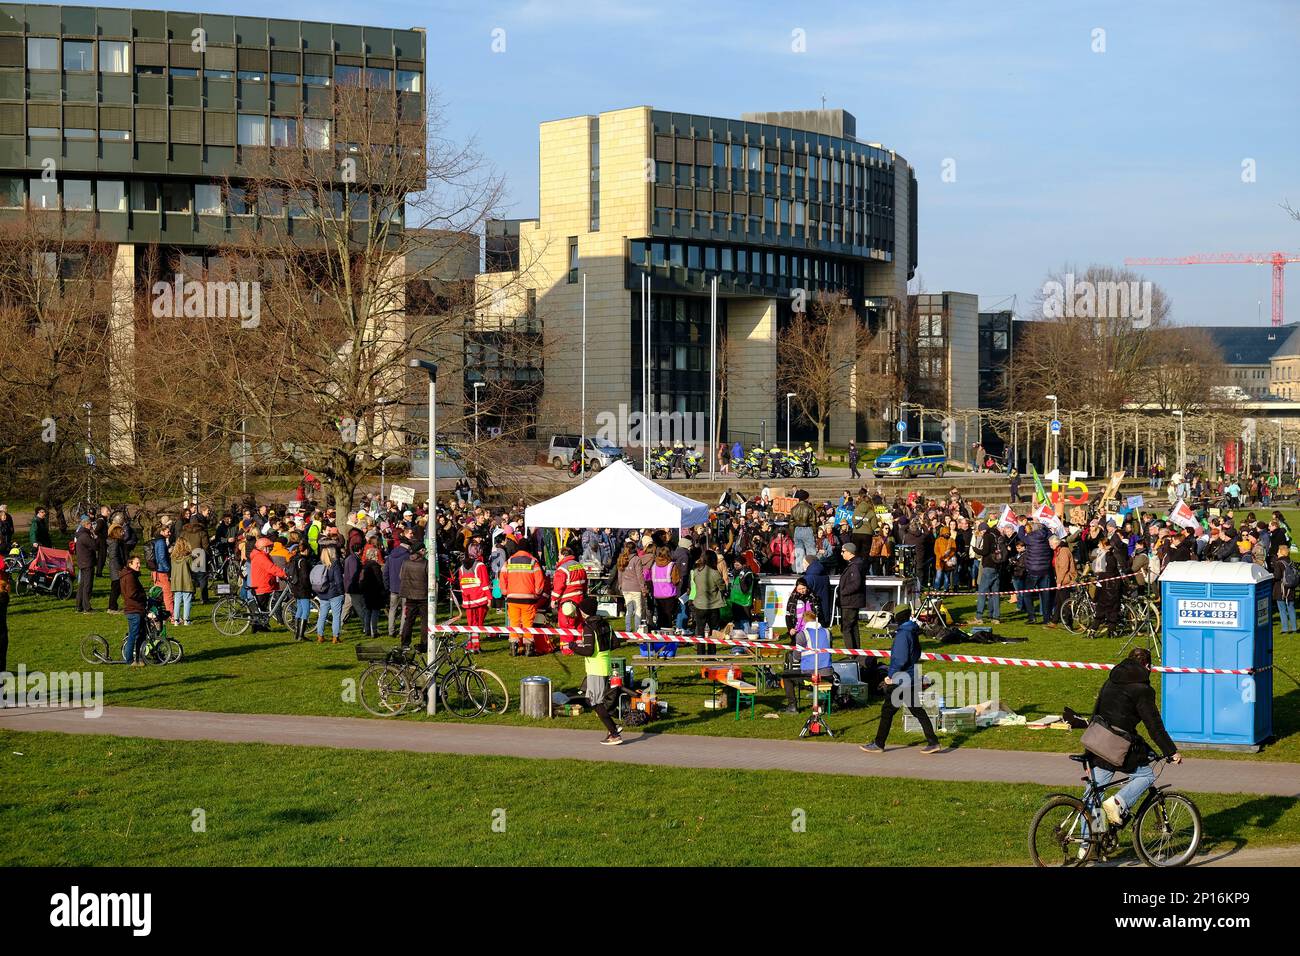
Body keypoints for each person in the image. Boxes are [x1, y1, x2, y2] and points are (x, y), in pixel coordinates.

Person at [1087, 648, 1182, 826]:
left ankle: (1088, 845)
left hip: (1095, 739)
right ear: (1147, 666)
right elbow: (1154, 726)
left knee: (1094, 797)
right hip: (1116, 746)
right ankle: (1118, 802)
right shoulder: (1142, 690)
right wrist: (1171, 751)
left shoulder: (1111, 680)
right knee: (1146, 776)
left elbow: (1097, 710)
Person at [860, 605, 943, 755]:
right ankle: (933, 741)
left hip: (900, 679)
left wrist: (890, 676)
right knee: (917, 710)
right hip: (911, 677)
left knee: (887, 711)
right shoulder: (912, 632)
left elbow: (899, 659)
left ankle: (879, 744)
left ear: (898, 618)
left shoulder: (903, 635)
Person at [575, 596, 626, 745]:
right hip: (605, 665)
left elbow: (589, 651)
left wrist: (573, 646)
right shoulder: (606, 624)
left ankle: (614, 731)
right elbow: (615, 643)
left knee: (595, 702)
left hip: (595, 668)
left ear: (584, 612)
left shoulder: (588, 627)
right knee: (595, 700)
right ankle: (613, 728)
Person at [499, 541, 546, 656]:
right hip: (528, 598)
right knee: (528, 623)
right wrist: (537, 593)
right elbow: (540, 581)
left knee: (514, 623)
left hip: (512, 598)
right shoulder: (533, 562)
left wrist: (505, 592)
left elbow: (502, 578)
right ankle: (529, 649)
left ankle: (513, 648)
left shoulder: (509, 561)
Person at [249, 536, 286, 633]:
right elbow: (271, 568)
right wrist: (284, 574)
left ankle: (259, 626)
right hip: (262, 585)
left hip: (263, 584)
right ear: (262, 547)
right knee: (262, 607)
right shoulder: (261, 557)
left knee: (262, 608)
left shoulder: (261, 555)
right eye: (268, 547)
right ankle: (258, 626)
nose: (270, 548)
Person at [691, 550, 725, 654]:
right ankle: (711, 653)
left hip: (699, 604)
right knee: (713, 631)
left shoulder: (696, 571)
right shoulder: (714, 573)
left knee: (700, 630)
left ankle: (700, 653)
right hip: (712, 605)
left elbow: (696, 583)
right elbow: (722, 586)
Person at [315, 537, 346, 643]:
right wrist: (342, 592)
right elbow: (339, 581)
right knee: (336, 616)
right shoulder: (335, 564)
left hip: (323, 592)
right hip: (334, 593)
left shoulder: (320, 563)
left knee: (322, 615)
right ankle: (335, 637)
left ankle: (320, 635)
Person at [398, 545, 429, 649]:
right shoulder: (426, 563)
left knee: (409, 620)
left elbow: (401, 576)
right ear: (419, 551)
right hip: (423, 595)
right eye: (423, 549)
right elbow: (430, 578)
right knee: (425, 620)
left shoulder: (405, 562)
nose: (425, 551)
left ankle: (405, 643)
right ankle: (424, 643)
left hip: (409, 594)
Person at [837, 542, 865, 649]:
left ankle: (851, 654)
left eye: (843, 551)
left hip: (850, 602)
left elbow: (856, 584)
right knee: (853, 627)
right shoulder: (854, 564)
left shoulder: (855, 566)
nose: (841, 554)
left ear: (849, 552)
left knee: (847, 628)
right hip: (852, 601)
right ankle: (856, 652)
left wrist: (843, 591)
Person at [120, 554, 146, 666]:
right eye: (137, 563)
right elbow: (132, 593)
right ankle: (130, 660)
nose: (139, 565)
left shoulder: (131, 575)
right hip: (134, 609)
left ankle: (139, 658)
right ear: (130, 564)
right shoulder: (130, 576)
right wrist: (143, 596)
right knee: (133, 635)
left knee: (139, 634)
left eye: (140, 563)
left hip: (135, 609)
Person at [287, 541, 315, 641]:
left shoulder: (294, 559)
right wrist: (310, 589)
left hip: (295, 588)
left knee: (299, 609)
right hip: (303, 589)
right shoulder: (303, 561)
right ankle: (301, 635)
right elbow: (305, 577)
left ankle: (296, 633)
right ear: (306, 550)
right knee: (306, 611)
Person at [168, 534, 195, 626]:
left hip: (176, 581)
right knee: (187, 600)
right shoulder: (188, 557)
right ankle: (186, 620)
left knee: (177, 601)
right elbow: (193, 568)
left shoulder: (172, 557)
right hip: (186, 581)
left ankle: (176, 620)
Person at [73, 515, 96, 613]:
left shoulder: (81, 534)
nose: (92, 526)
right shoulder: (85, 536)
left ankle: (79, 606)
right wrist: (95, 537)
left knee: (82, 585)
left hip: (82, 562)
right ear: (86, 524)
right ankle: (87, 607)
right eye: (90, 524)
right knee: (87, 585)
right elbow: (95, 546)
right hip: (87, 563)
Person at [1273, 544, 1296, 634]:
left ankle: (1285, 629)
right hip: (1291, 588)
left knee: (1282, 609)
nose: (1277, 553)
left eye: (1278, 551)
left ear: (1281, 553)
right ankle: (1294, 628)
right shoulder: (1291, 562)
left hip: (1281, 588)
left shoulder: (1279, 563)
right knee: (1291, 607)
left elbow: (1277, 576)